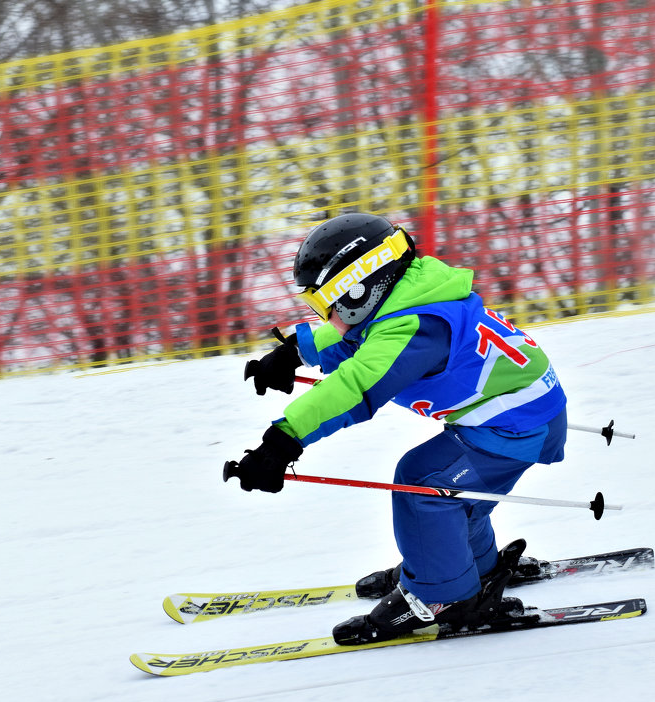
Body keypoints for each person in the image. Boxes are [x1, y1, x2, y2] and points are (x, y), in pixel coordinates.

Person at [226, 212, 568, 645]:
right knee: (448, 490)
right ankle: (461, 567)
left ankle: (443, 595)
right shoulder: (415, 290)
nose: (328, 312)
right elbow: (357, 336)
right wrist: (297, 352)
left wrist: (282, 442)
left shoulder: (414, 330)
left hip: (516, 425)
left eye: (329, 299)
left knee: (424, 485)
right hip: (522, 414)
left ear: (361, 283)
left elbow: (355, 386)